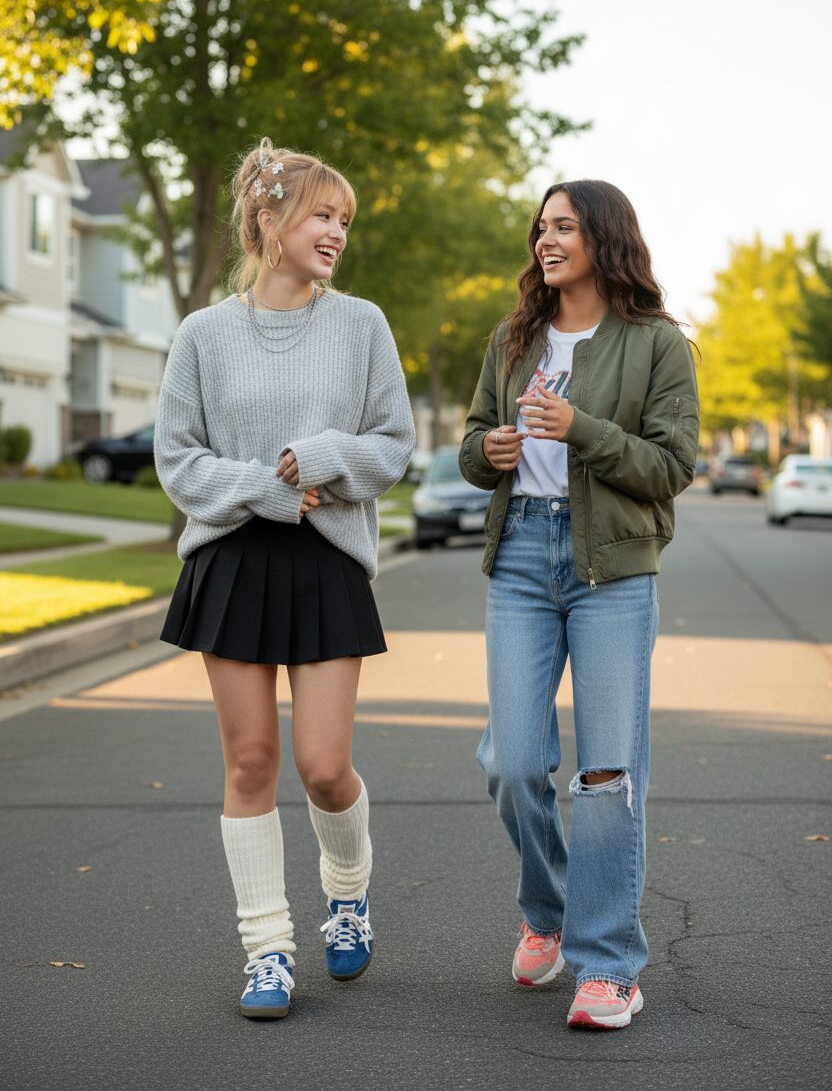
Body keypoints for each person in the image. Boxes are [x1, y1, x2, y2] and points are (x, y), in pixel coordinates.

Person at [154, 138, 415, 1019]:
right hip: (231, 556)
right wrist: (262, 488)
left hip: (328, 557)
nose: (336, 231)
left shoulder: (362, 324)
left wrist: (326, 456)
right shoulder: (203, 334)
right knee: (252, 761)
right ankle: (267, 950)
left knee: (324, 766)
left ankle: (348, 893)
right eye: (321, 214)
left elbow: (393, 444)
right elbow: (177, 458)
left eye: (344, 219)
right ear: (267, 219)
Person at [459, 179, 699, 1030]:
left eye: (563, 226)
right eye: (541, 227)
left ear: (604, 236)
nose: (545, 240)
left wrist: (580, 429)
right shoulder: (514, 337)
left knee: (606, 774)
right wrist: (488, 451)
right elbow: (472, 442)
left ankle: (609, 966)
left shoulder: (658, 344)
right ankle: (549, 909)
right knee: (512, 761)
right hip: (522, 555)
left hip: (613, 571)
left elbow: (672, 467)